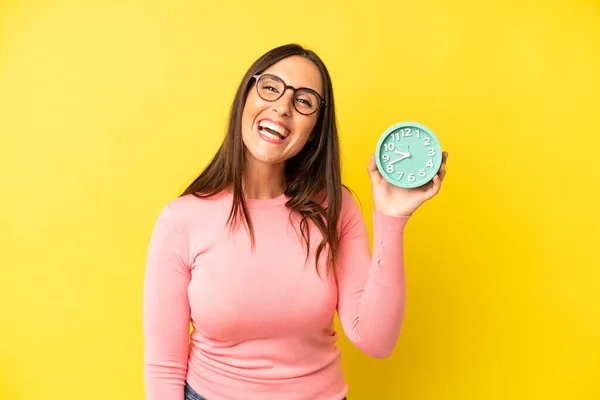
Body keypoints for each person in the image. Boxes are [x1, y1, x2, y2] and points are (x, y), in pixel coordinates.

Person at [142, 43, 448, 400]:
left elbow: (376, 340)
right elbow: (164, 368)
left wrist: (392, 217)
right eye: (271, 87)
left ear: (316, 128)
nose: (283, 107)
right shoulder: (181, 219)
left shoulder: (336, 208)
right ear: (246, 98)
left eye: (304, 101)